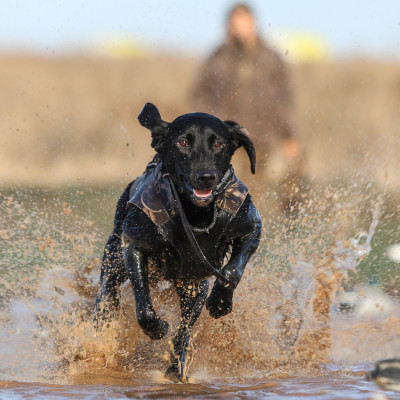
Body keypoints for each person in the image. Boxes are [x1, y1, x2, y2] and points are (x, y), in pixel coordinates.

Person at [192, 3, 303, 215]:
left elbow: (284, 101)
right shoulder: (217, 58)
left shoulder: (271, 58)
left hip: (260, 139)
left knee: (252, 198)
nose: (240, 28)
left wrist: (290, 137)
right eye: (235, 24)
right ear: (228, 26)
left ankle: (251, 240)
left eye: (244, 23)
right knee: (221, 197)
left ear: (254, 24)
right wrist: (205, 127)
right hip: (223, 141)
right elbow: (198, 95)